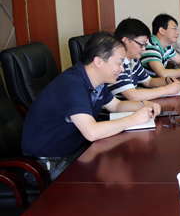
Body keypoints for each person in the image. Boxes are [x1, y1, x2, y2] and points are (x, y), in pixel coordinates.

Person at [21, 32, 161, 180]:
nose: (122, 69)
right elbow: (92, 132)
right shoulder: (73, 85)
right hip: (48, 164)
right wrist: (133, 119)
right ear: (98, 62)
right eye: (119, 63)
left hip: (76, 150)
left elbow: (116, 105)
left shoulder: (96, 82)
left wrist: (145, 104)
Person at [108, 18, 180, 99]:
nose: (144, 49)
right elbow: (132, 95)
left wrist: (168, 80)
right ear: (125, 40)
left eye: (145, 45)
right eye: (141, 44)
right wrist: (166, 90)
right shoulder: (118, 64)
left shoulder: (134, 60)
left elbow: (149, 82)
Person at [141, 14, 180, 78]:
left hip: (159, 82)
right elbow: (163, 74)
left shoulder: (167, 46)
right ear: (161, 30)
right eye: (174, 29)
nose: (177, 32)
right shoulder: (151, 46)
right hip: (146, 84)